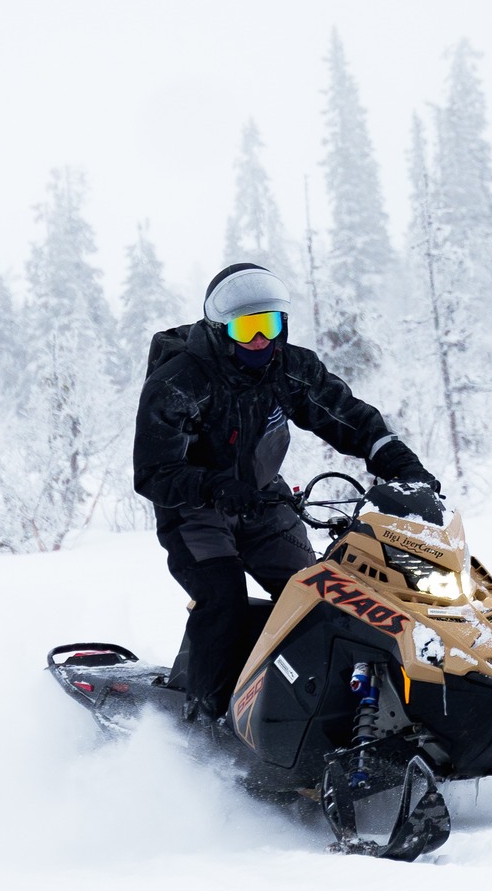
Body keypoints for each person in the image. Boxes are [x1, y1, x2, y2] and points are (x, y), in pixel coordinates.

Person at [133, 262, 438, 722]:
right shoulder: (179, 383)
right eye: (246, 328)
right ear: (220, 330)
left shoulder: (290, 368)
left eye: (269, 325)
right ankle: (204, 720)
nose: (260, 340)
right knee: (223, 601)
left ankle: (330, 714)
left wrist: (398, 462)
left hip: (264, 502)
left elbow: (348, 417)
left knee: (324, 597)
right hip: (193, 509)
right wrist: (215, 486)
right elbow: (154, 473)